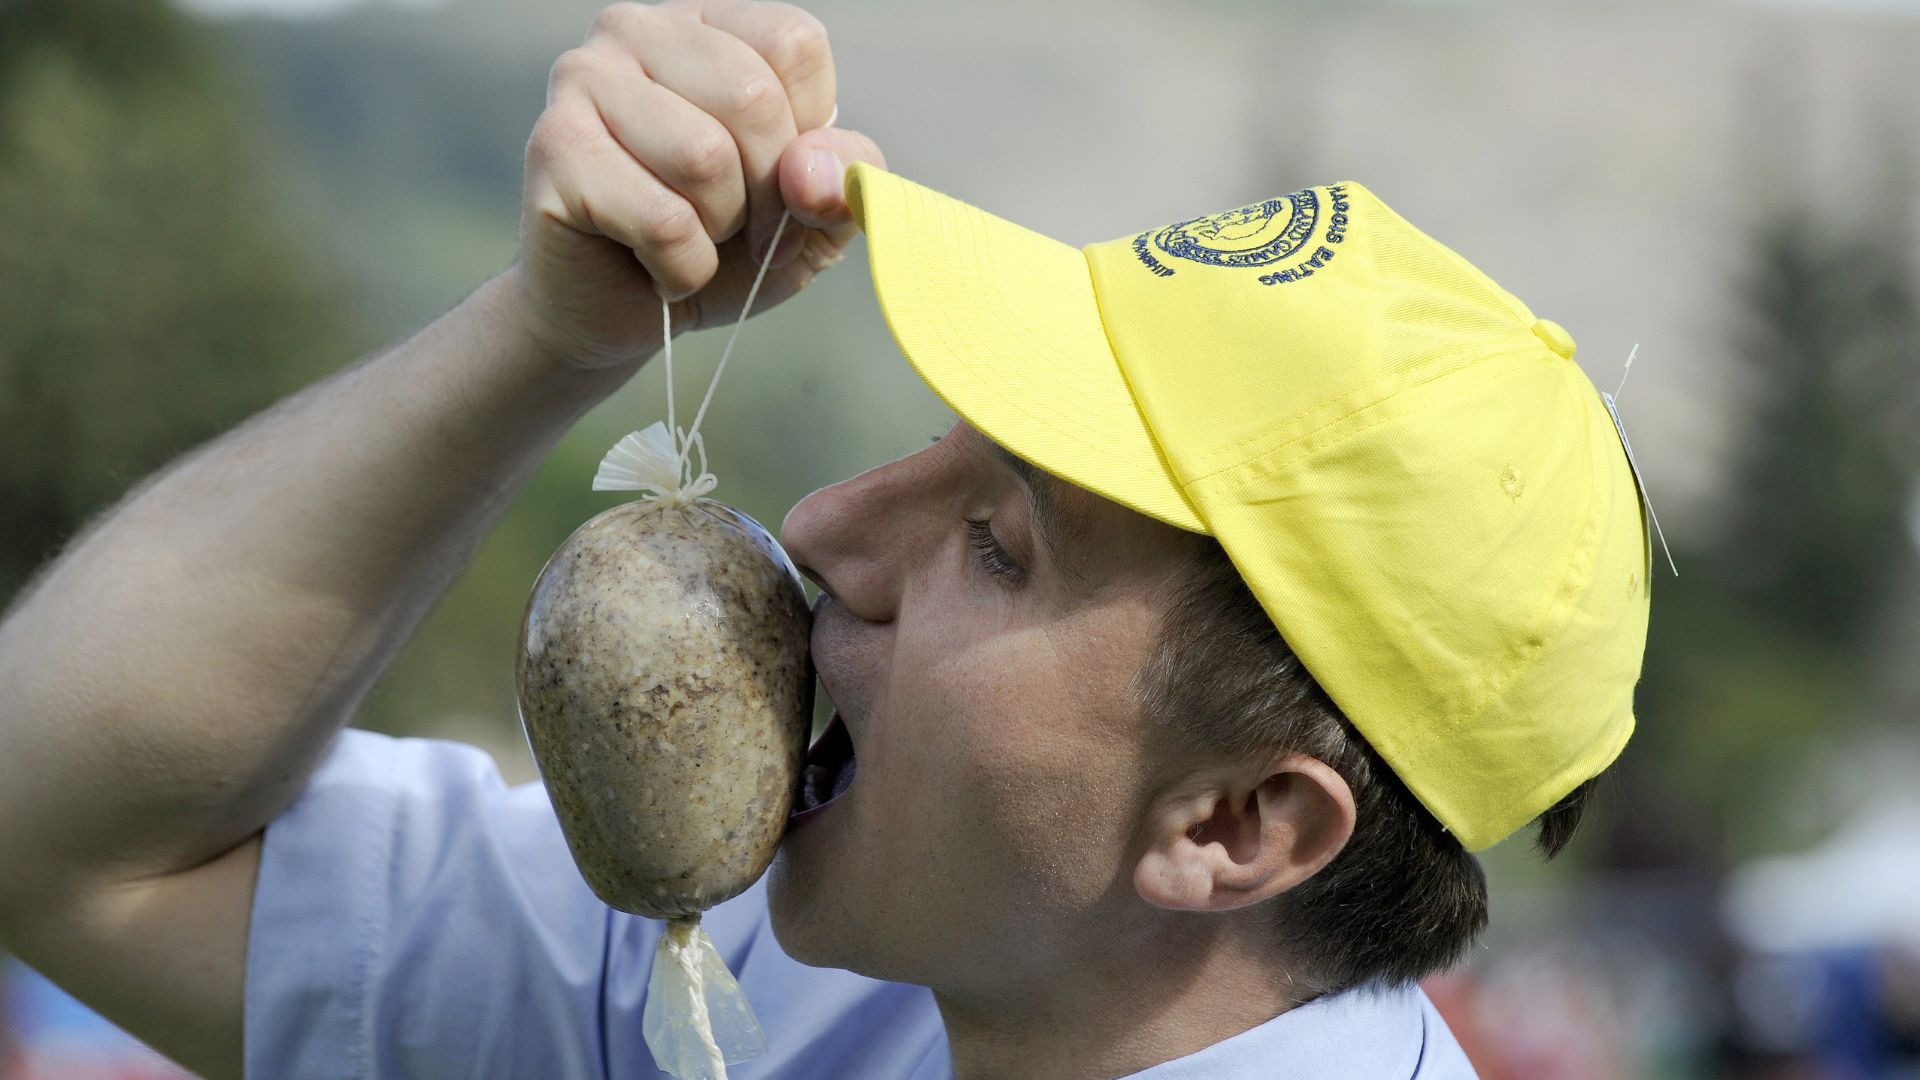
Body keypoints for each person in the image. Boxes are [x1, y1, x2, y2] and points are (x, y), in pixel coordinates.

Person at [0, 1, 1651, 1077]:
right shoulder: (786, 992)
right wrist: (545, 340)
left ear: (1232, 826)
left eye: (999, 545)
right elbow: (56, 828)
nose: (823, 530)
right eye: (939, 451)